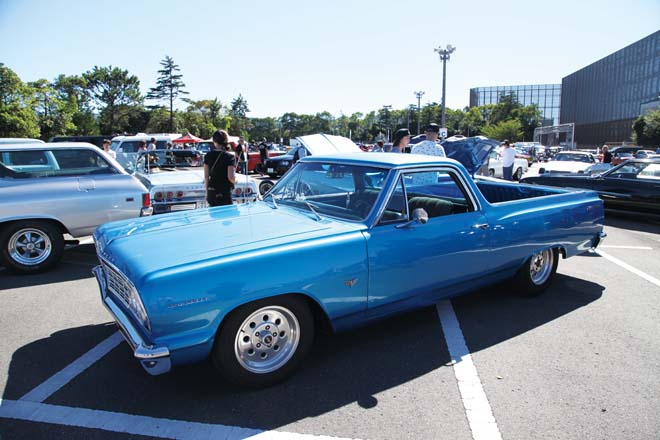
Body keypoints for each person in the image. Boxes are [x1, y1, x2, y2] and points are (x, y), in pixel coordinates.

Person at [204, 130, 236, 207]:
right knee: (226, 216)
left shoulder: (208, 155)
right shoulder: (229, 157)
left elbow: (206, 176)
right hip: (224, 192)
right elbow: (231, 177)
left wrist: (207, 191)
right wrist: (236, 181)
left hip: (212, 190)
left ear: (214, 141)